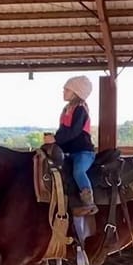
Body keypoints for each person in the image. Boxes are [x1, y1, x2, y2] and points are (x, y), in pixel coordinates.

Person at [54, 75, 98, 215]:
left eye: (67, 90)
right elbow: (63, 131)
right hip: (69, 152)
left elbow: (74, 131)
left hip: (83, 152)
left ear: (76, 92)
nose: (63, 92)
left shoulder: (81, 109)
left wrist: (55, 140)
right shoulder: (67, 109)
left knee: (79, 171)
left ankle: (89, 201)